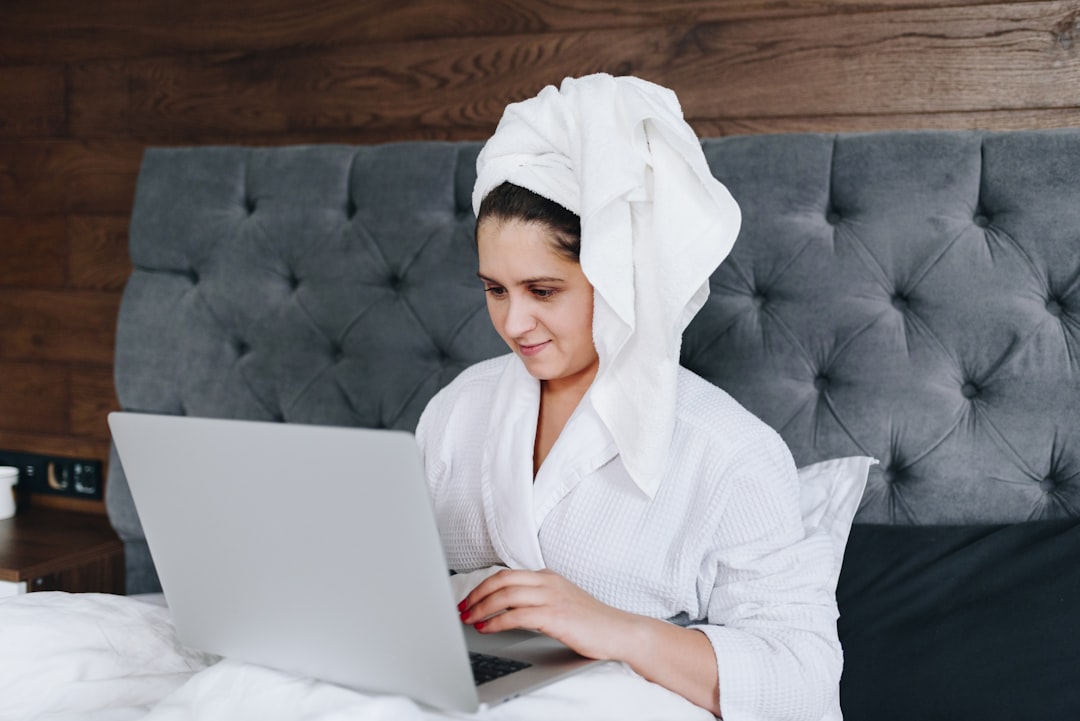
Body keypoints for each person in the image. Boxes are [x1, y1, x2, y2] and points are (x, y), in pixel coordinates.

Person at [416, 74, 842, 720]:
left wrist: (615, 627)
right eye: (495, 289)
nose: (513, 324)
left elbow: (803, 682)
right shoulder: (460, 408)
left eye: (543, 290)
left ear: (620, 278)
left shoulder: (730, 454)